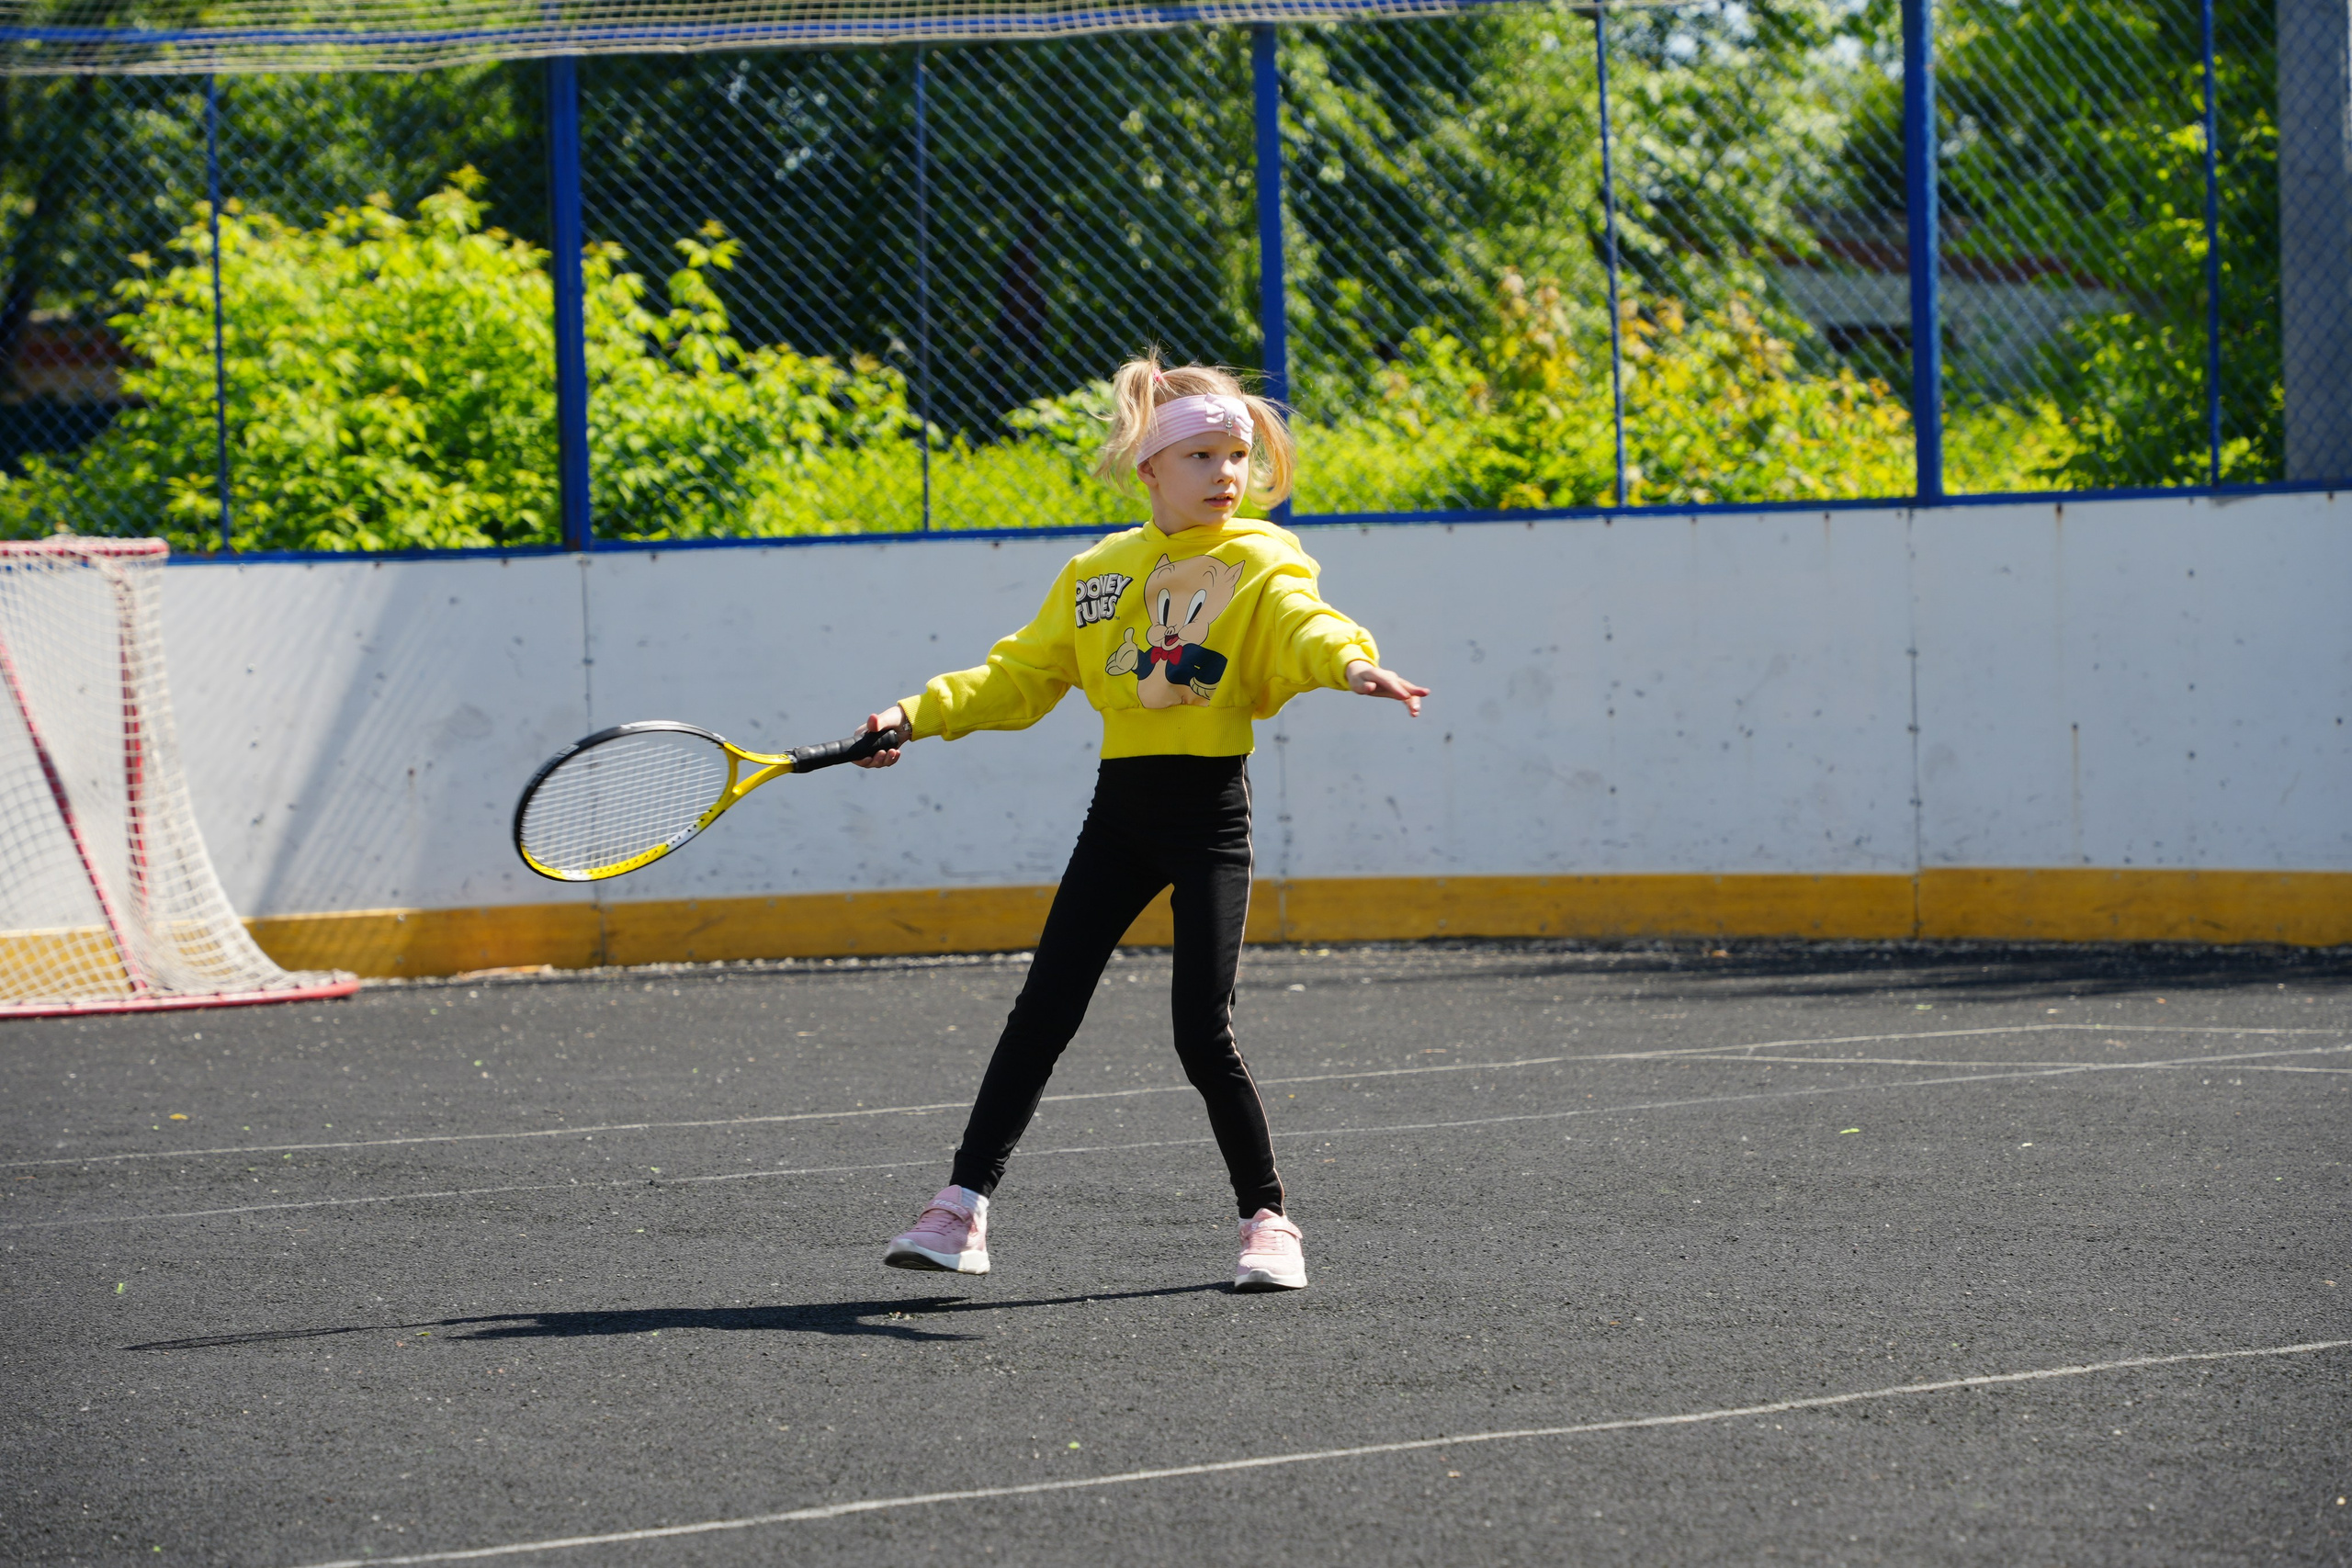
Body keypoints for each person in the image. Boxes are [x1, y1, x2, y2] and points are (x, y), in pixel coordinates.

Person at [852, 356, 1427, 1292]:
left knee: (1200, 1032)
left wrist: (1354, 665)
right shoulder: (1096, 573)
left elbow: (1302, 621)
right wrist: (912, 715)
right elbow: (1017, 678)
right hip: (1117, 817)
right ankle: (958, 1210)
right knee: (1042, 1013)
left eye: (1237, 454)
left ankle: (1268, 1222)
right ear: (1150, 468)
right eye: (1201, 454)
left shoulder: (1262, 558)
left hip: (1208, 819)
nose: (1226, 473)